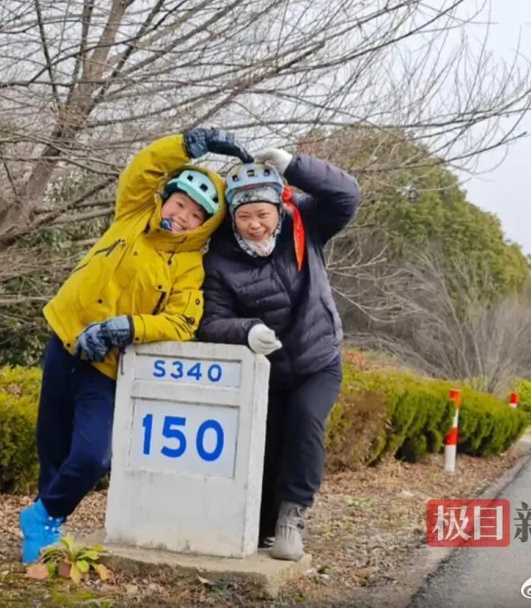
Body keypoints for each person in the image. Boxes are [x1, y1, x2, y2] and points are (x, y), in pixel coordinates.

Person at [19, 128, 252, 565]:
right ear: (167, 198)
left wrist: (124, 328)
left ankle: (42, 515)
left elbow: (182, 322)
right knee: (52, 443)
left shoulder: (189, 266)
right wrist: (191, 143)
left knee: (92, 455)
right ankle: (47, 527)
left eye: (196, 214)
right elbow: (144, 166)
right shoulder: (133, 213)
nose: (183, 216)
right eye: (180, 203)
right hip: (64, 335)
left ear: (206, 225)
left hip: (105, 365)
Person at [196, 146, 361, 561]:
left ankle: (292, 518)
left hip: (317, 360)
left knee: (304, 424)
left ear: (278, 206)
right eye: (245, 216)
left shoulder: (305, 222)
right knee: (263, 443)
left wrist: (294, 165)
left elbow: (347, 196)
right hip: (265, 370)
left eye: (263, 214)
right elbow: (210, 321)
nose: (255, 225)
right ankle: (262, 524)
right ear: (231, 215)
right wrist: (246, 330)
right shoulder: (219, 259)